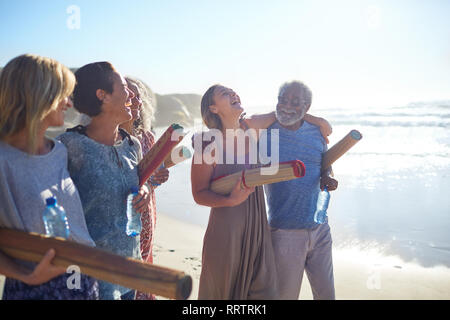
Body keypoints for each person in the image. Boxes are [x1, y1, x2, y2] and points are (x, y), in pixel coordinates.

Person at [191, 84, 332, 299]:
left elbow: (284, 113)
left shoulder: (251, 128)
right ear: (213, 108)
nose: (233, 93)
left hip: (258, 227)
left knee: (260, 292)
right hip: (227, 227)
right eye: (225, 94)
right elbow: (199, 194)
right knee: (223, 290)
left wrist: (319, 121)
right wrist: (231, 200)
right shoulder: (206, 143)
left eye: (233, 91)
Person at [0, 54, 98, 300]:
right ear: (39, 95)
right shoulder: (3, 160)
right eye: (63, 94)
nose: (68, 103)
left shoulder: (58, 151)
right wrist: (26, 276)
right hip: (38, 289)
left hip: (84, 280)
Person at [57, 62, 151, 300]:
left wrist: (146, 192)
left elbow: (138, 186)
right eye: (123, 88)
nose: (131, 94)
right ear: (103, 95)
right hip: (88, 276)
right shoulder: (69, 146)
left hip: (130, 268)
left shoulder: (133, 145)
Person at [264, 81, 338, 300]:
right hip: (285, 232)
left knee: (327, 296)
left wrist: (328, 177)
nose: (286, 106)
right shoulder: (266, 135)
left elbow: (325, 166)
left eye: (295, 102)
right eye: (282, 100)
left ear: (307, 106)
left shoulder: (316, 133)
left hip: (320, 227)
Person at [119, 77, 169, 300]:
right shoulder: (109, 140)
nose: (137, 101)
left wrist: (158, 178)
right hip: (123, 218)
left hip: (147, 213)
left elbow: (151, 181)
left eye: (139, 96)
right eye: (131, 95)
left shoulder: (148, 137)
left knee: (145, 264)